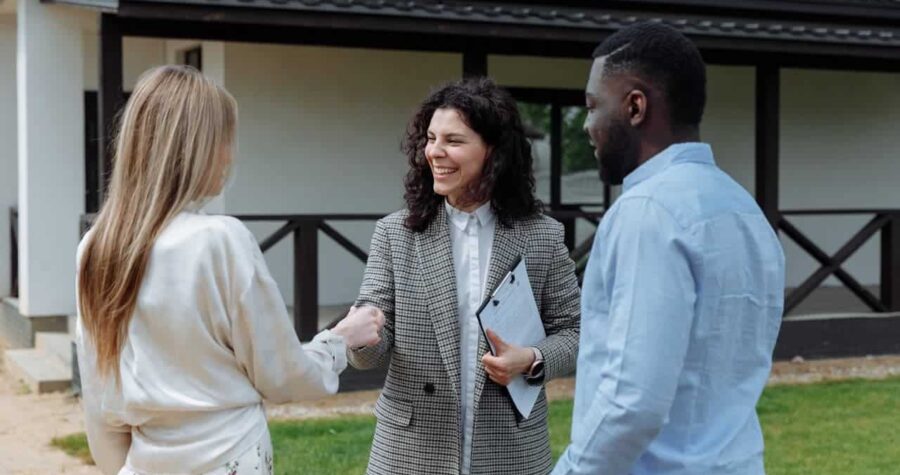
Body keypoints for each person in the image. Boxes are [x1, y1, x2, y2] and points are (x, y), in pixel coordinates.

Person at [75, 65, 383, 475]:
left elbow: (100, 402)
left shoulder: (96, 247)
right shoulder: (219, 240)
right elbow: (280, 375)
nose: (230, 155)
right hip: (230, 458)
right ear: (198, 147)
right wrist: (340, 341)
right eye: (225, 139)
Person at [551, 23, 785, 475]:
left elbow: (631, 402)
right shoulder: (743, 209)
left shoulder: (647, 210)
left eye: (593, 106)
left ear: (635, 106)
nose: (587, 126)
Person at [341, 77, 581, 475]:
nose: (435, 152)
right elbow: (368, 354)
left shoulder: (543, 236)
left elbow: (575, 330)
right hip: (411, 452)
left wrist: (532, 359)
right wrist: (361, 337)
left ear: (493, 152)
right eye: (431, 138)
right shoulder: (394, 234)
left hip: (511, 451)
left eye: (453, 140)